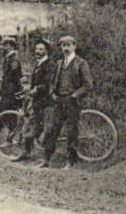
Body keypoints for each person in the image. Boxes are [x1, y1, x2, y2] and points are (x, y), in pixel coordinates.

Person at [38, 34, 93, 169]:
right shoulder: (59, 63)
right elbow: (52, 82)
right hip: (59, 100)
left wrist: (75, 95)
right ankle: (46, 160)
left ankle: (71, 162)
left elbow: (88, 85)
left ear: (74, 46)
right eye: (63, 45)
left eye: (69, 45)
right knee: (52, 129)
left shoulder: (81, 63)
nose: (66, 48)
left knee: (71, 132)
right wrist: (53, 94)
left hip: (72, 101)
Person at [13, 39, 56, 161]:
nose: (38, 51)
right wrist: (29, 87)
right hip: (38, 102)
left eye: (41, 49)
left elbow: (48, 83)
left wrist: (36, 89)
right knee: (30, 124)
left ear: (46, 50)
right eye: (37, 49)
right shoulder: (38, 64)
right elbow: (37, 81)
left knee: (48, 130)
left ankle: (47, 158)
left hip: (47, 102)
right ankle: (27, 152)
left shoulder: (50, 64)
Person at [0, 36, 25, 116]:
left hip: (11, 91)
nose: (3, 48)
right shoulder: (8, 59)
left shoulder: (14, 59)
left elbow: (13, 74)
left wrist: (3, 78)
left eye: (5, 45)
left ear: (10, 46)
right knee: (7, 114)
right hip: (7, 91)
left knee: (3, 113)